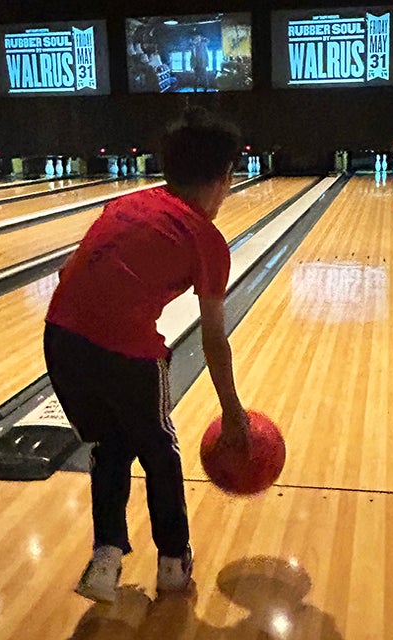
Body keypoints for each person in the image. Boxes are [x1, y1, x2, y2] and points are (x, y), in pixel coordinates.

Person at [43, 107, 251, 603]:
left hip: (60, 338)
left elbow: (64, 276)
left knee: (109, 446)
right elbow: (213, 339)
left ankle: (105, 558)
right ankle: (173, 564)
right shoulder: (207, 240)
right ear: (224, 179)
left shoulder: (125, 205)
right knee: (159, 451)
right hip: (128, 354)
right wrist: (233, 412)